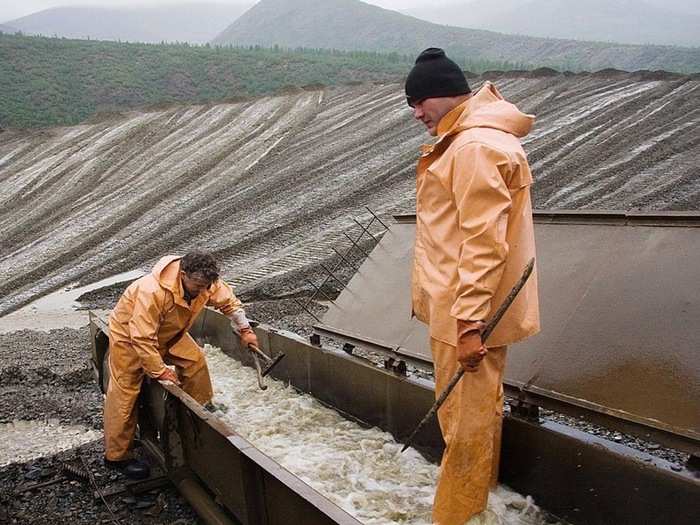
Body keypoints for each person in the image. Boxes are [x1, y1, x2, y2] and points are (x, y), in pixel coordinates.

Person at [405, 48, 540, 524]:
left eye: (420, 102)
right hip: (460, 310)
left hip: (465, 314)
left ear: (444, 94)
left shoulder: (473, 148)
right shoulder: (470, 141)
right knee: (476, 415)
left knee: (465, 424)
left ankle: (456, 517)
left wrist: (468, 324)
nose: (417, 114)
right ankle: (477, 506)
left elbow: (484, 244)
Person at [103, 251, 257, 479]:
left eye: (207, 286)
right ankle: (116, 457)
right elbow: (143, 338)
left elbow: (228, 302)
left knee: (195, 361)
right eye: (198, 286)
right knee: (126, 392)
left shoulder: (205, 282)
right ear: (183, 275)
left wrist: (245, 329)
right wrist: (160, 371)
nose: (203, 292)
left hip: (170, 331)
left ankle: (200, 410)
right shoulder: (151, 291)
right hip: (130, 338)